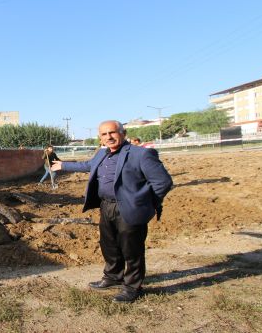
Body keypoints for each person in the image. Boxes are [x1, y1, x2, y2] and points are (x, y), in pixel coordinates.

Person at [51, 120, 172, 303]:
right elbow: (88, 166)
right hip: (106, 206)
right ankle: (113, 277)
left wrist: (144, 202)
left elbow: (163, 182)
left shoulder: (141, 154)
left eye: (112, 132)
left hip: (130, 208)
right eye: (104, 134)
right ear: (100, 138)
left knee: (132, 250)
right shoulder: (101, 153)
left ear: (123, 133)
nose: (109, 137)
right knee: (109, 245)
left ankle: (132, 287)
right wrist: (63, 165)